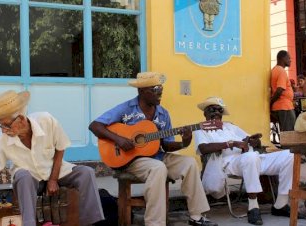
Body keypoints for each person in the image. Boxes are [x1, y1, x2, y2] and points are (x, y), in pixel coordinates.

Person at [0, 90, 104, 226]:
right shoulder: (2, 141)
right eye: (0, 125)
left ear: (21, 119)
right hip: (30, 181)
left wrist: (53, 179)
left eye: (6, 125)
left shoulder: (46, 120)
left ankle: (93, 222)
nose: (3, 131)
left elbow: (61, 146)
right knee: (23, 175)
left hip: (54, 172)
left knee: (86, 173)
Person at [89, 72, 218, 226]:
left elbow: (166, 145)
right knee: (158, 168)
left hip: (158, 156)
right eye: (155, 89)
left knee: (189, 163)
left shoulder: (163, 114)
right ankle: (154, 223)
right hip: (132, 161)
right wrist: (119, 139)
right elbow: (95, 126)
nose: (160, 92)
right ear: (141, 91)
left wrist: (184, 142)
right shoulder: (126, 109)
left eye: (160, 89)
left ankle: (197, 216)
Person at [194, 97, 296, 225]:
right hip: (228, 162)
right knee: (250, 157)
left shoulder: (230, 126)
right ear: (205, 113)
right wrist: (230, 143)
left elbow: (247, 139)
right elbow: (203, 148)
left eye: (219, 109)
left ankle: (280, 204)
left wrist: (254, 140)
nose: (215, 112)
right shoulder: (200, 129)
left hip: (250, 158)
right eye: (211, 109)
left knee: (289, 155)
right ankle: (253, 206)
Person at [270, 50, 296, 131]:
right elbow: (279, 90)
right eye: (288, 58)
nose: (290, 60)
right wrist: (270, 103)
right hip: (284, 107)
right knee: (289, 134)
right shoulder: (281, 71)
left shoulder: (275, 69)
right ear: (282, 59)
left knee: (286, 133)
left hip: (282, 107)